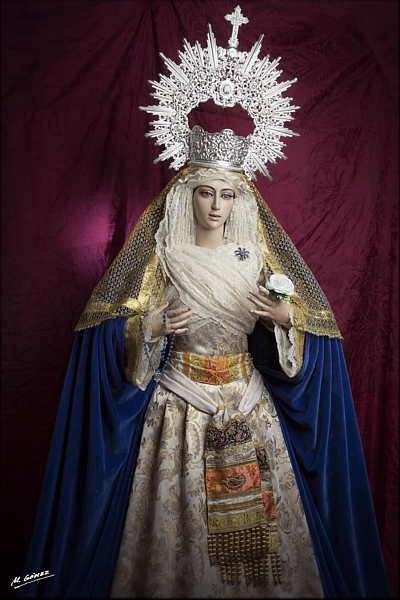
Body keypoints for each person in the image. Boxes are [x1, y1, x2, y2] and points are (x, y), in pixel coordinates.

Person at [18, 6, 391, 599]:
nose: (216, 205)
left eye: (226, 194)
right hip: (179, 408)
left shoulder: (255, 258)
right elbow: (107, 329)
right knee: (179, 539)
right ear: (185, 195)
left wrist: (287, 321)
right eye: (205, 193)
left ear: (239, 199)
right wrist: (149, 327)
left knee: (258, 546)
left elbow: (307, 326)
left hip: (247, 403)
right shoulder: (162, 256)